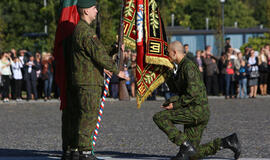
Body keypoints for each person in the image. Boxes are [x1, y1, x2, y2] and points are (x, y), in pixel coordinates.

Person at [61, 0, 128, 160]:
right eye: (93, 8)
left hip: (82, 80)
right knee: (88, 116)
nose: (96, 11)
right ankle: (85, 151)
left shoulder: (79, 30)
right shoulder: (85, 31)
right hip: (88, 82)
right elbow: (99, 55)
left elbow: (93, 53)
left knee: (78, 115)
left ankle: (74, 150)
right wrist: (117, 71)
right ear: (85, 11)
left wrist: (115, 48)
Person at [152, 41, 241, 160]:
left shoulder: (188, 66)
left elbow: (192, 93)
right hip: (193, 110)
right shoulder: (181, 67)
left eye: (168, 53)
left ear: (174, 52)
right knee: (192, 155)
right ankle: (226, 142)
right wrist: (167, 72)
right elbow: (176, 89)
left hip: (196, 111)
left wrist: (175, 105)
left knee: (160, 117)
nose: (167, 56)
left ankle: (184, 144)